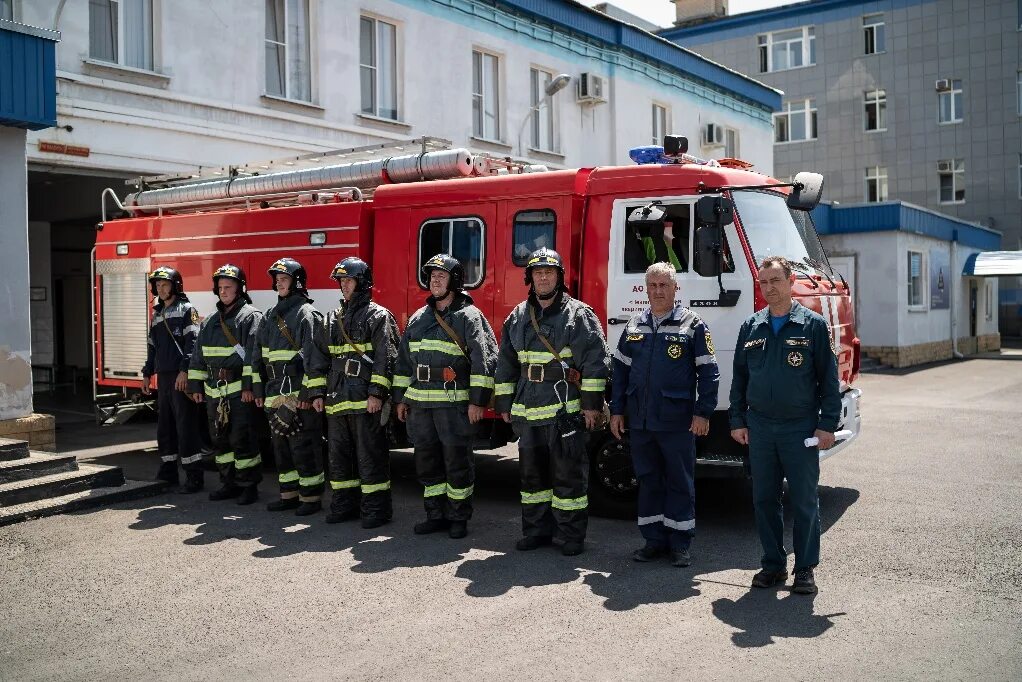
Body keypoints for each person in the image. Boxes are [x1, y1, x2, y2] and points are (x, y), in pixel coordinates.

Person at [730, 255, 841, 595]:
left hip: (800, 428)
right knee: (764, 499)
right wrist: (737, 420)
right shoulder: (751, 327)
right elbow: (739, 379)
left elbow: (828, 380)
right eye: (763, 282)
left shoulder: (812, 326)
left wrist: (827, 425)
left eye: (775, 281)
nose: (769, 288)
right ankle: (773, 565)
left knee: (805, 501)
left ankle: (805, 569)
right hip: (761, 427)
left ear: (790, 282)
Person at [493, 248, 610, 557]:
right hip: (528, 411)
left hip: (565, 411)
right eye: (537, 272)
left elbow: (596, 362)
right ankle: (536, 531)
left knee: (568, 476)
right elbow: (505, 363)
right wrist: (503, 402)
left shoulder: (578, 314)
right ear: (529, 277)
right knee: (532, 477)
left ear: (559, 277)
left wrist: (591, 405)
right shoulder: (517, 316)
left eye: (549, 272)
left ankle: (570, 535)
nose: (543, 277)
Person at [610, 262, 719, 567]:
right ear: (646, 289)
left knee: (679, 481)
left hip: (677, 421)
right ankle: (653, 541)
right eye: (653, 286)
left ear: (675, 288)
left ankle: (680, 543)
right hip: (641, 421)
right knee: (647, 479)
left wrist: (703, 413)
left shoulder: (693, 325)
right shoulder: (633, 326)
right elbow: (620, 372)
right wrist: (617, 410)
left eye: (664, 285)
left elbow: (709, 372)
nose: (658, 291)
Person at [393, 254, 497, 540]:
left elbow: (484, 360)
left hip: (453, 404)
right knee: (426, 461)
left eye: (441, 275)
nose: (435, 280)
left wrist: (478, 401)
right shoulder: (417, 318)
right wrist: (400, 398)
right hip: (420, 404)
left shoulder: (469, 316)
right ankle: (435, 514)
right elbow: (403, 363)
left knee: (456, 461)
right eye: (431, 276)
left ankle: (458, 517)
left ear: (455, 280)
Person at [303, 257, 399, 528]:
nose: (344, 285)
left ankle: (376, 510)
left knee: (370, 457)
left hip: (364, 400)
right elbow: (317, 358)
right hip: (336, 400)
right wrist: (317, 393)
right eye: (341, 281)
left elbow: (386, 358)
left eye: (349, 280)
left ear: (363, 282)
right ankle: (344, 504)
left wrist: (377, 394)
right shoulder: (331, 319)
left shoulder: (378, 316)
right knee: (339, 457)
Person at [246, 257, 325, 516]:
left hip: (298, 392)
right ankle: (288, 494)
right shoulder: (270, 315)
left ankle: (310, 497)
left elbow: (314, 359)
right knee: (281, 447)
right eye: (277, 280)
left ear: (297, 282)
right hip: (274, 392)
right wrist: (258, 389)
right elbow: (257, 356)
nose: (279, 284)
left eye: (284, 279)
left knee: (303, 446)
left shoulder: (307, 314)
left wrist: (307, 394)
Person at [187, 264, 264, 505]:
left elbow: (254, 356)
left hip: (239, 392)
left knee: (242, 439)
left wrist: (250, 387)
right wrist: (195, 385)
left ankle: (248, 486)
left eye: (228, 287)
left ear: (240, 288)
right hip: (214, 391)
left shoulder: (250, 317)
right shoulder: (210, 321)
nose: (223, 291)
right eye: (220, 287)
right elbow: (198, 355)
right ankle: (228, 483)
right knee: (220, 440)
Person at [142, 266, 204, 493]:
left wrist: (185, 371)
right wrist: (147, 373)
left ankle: (194, 476)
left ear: (176, 286)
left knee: (185, 426)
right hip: (164, 378)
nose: (160, 288)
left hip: (180, 377)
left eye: (165, 284)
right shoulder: (157, 313)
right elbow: (152, 347)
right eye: (157, 285)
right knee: (165, 426)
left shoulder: (188, 310)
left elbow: (193, 343)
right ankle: (168, 471)